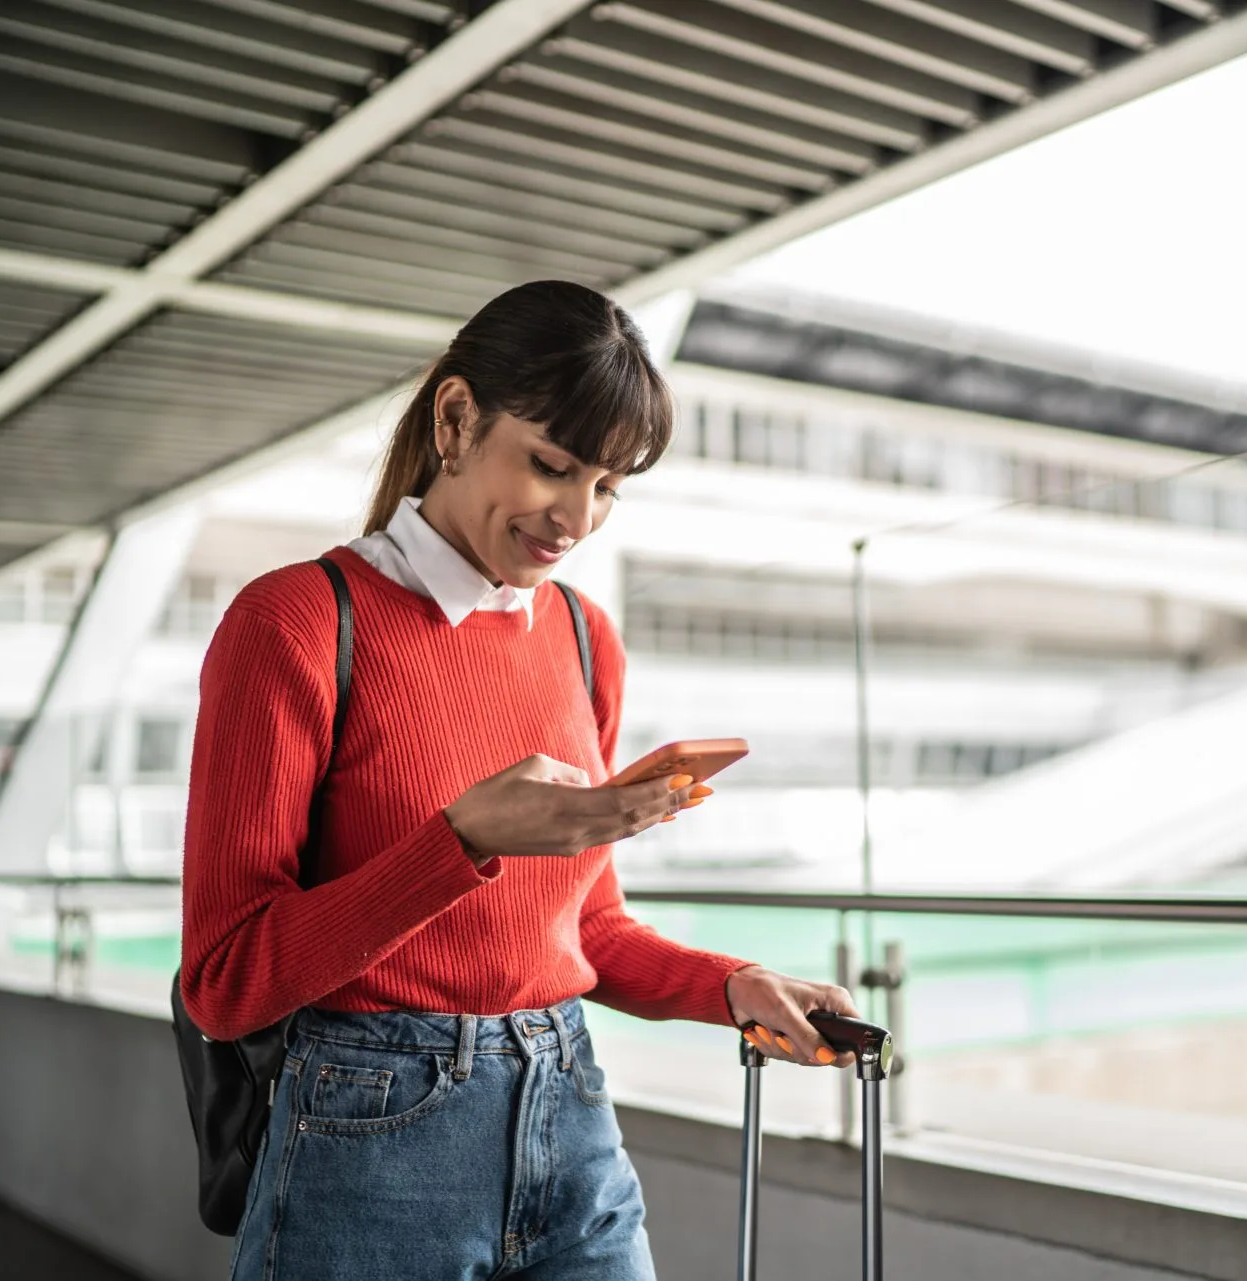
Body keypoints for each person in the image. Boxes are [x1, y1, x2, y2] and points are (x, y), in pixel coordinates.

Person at [180, 280, 857, 1281]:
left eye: (609, 485)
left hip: (571, 1117)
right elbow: (224, 983)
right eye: (553, 466)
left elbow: (585, 931)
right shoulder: (296, 623)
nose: (578, 517)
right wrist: (460, 843)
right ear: (455, 418)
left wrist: (731, 986)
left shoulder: (586, 641)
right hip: (367, 1141)